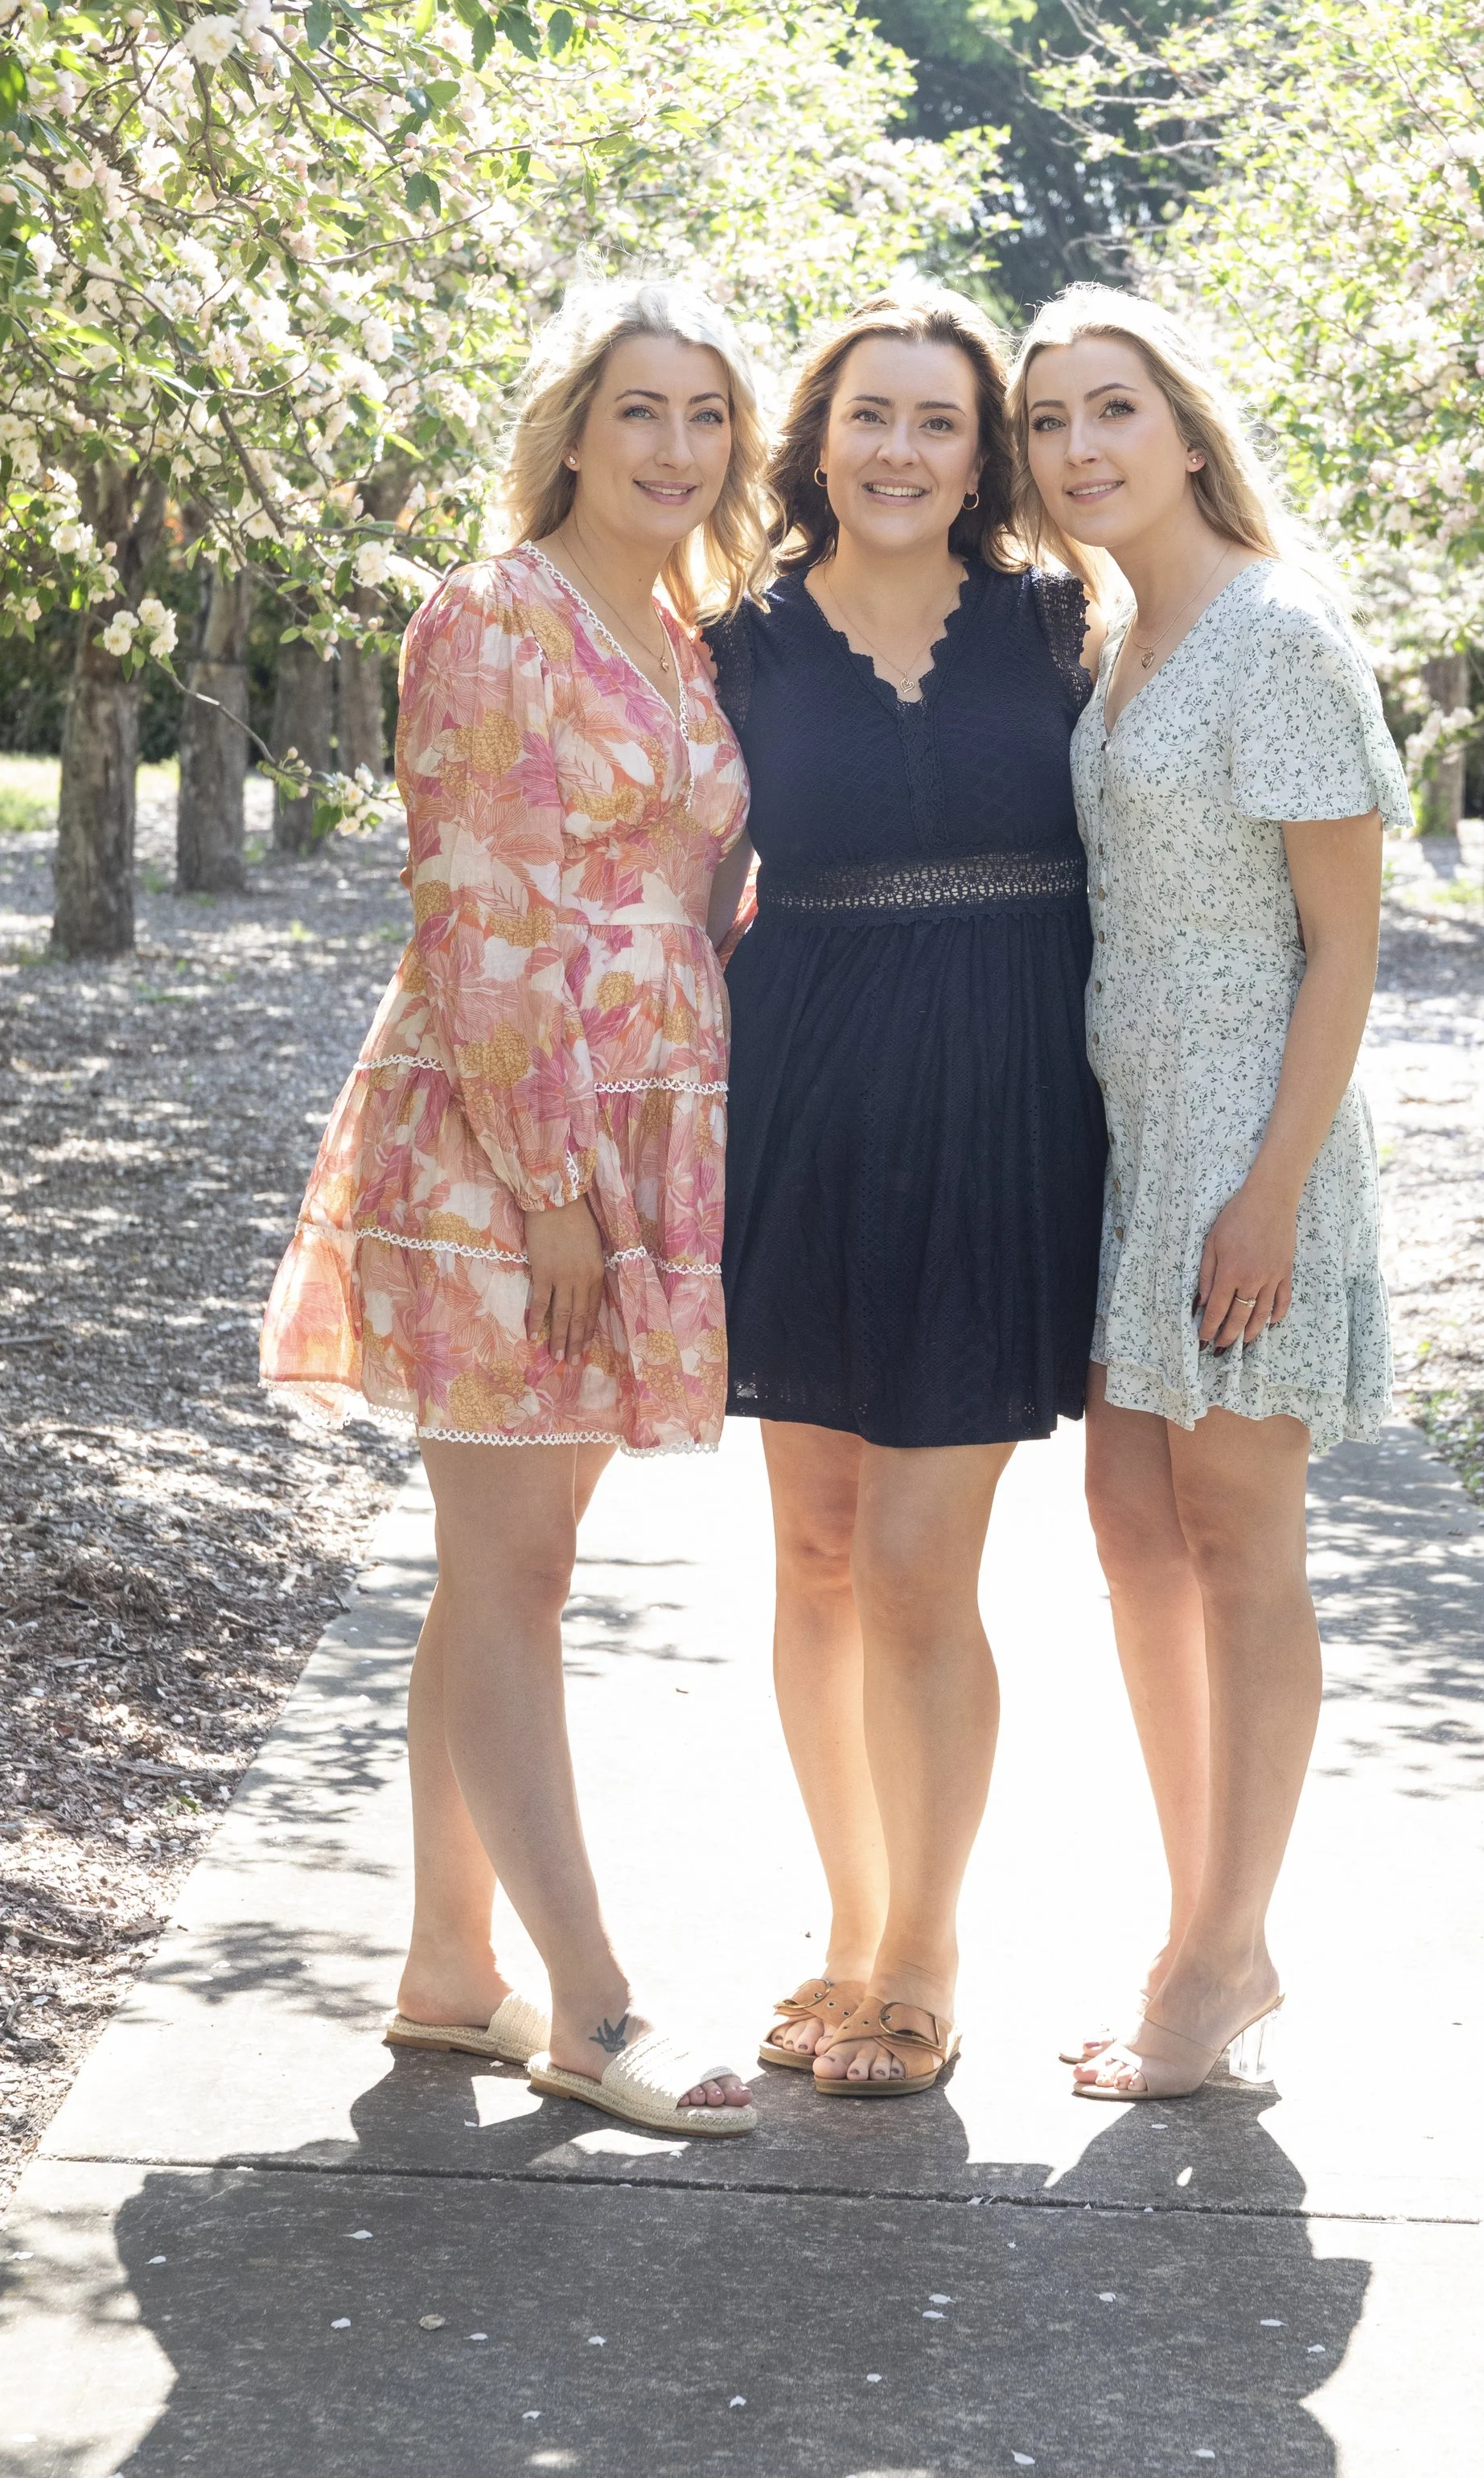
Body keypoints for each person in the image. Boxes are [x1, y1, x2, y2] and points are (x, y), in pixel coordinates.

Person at [260, 278, 766, 2136]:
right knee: (517, 1572)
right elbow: (475, 907)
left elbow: (690, 872)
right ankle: (590, 2003)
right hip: (509, 1134)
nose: (672, 449)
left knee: (500, 1568)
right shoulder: (493, 616)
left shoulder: (682, 629)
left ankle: (445, 1969)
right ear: (571, 427)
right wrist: (556, 1185)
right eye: (641, 411)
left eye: (706, 417)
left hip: (649, 1123)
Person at [1009, 286, 1412, 2101]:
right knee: (1127, 1529)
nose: (1077, 448)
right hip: (1130, 1142)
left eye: (1110, 410)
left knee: (1241, 1545)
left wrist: (1264, 1194)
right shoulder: (1120, 630)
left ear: (1184, 426)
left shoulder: (1274, 632)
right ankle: (1198, 1933)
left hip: (1251, 1141)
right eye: (1046, 422)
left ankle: (1219, 1958)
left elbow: (1342, 949)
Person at [706, 286, 1106, 2095]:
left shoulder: (1057, 621)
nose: (898, 449)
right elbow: (670, 880)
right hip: (801, 1106)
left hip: (1002, 1110)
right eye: (871, 413)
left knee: (923, 1565)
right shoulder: (736, 643)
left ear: (982, 452)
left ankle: (929, 1956)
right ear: (817, 437)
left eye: (938, 421)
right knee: (810, 1551)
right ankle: (848, 1929)